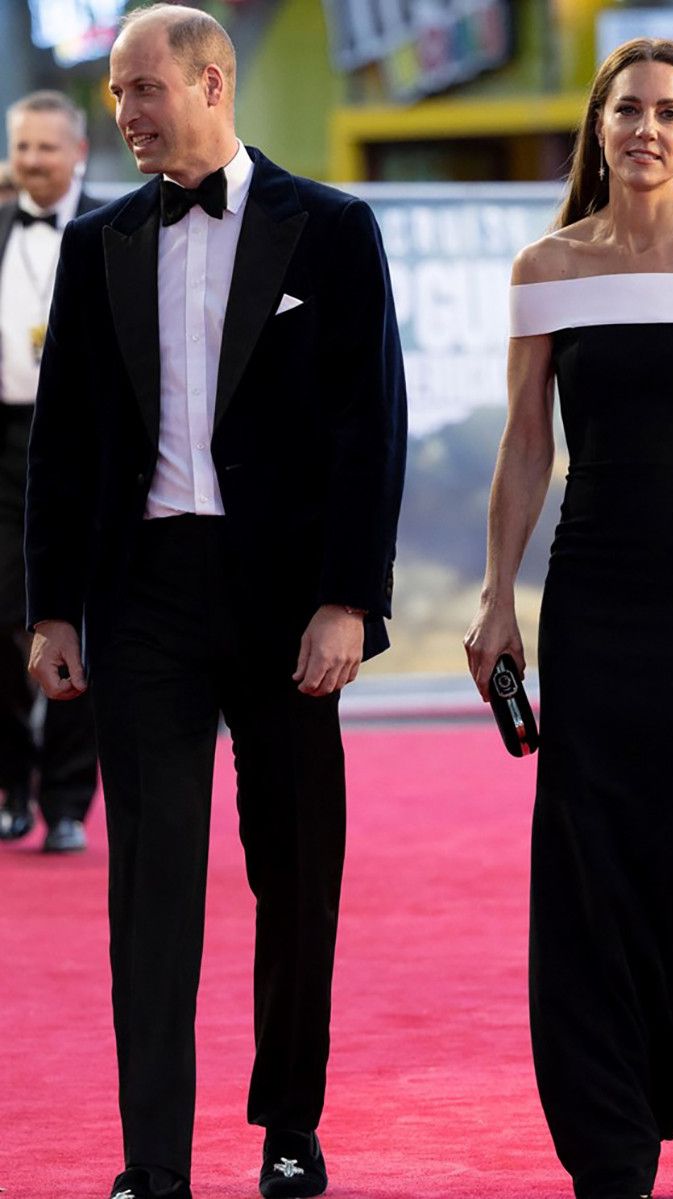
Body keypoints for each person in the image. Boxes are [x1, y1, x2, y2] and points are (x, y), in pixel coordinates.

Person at [25, 6, 406, 1199]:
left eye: (143, 87)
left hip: (289, 601)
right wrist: (52, 608)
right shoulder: (98, 243)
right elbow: (65, 440)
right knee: (151, 882)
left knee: (294, 869)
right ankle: (153, 1159)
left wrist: (349, 599)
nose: (126, 112)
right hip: (144, 595)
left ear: (211, 81)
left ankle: (290, 1126)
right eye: (114, 93)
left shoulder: (331, 229)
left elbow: (369, 427)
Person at [464, 38, 673, 1199]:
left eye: (669, 111)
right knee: (589, 843)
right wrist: (496, 595)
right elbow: (526, 441)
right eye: (628, 110)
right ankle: (608, 1130)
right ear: (599, 128)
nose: (647, 129)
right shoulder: (549, 266)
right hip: (593, 586)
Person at [0, 91, 101, 852]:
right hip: (4, 447)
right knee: (2, 625)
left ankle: (67, 801)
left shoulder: (119, 227)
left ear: (79, 153)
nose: (32, 161)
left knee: (80, 623)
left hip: (88, 450)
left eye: (46, 147)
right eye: (21, 147)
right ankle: (12, 787)